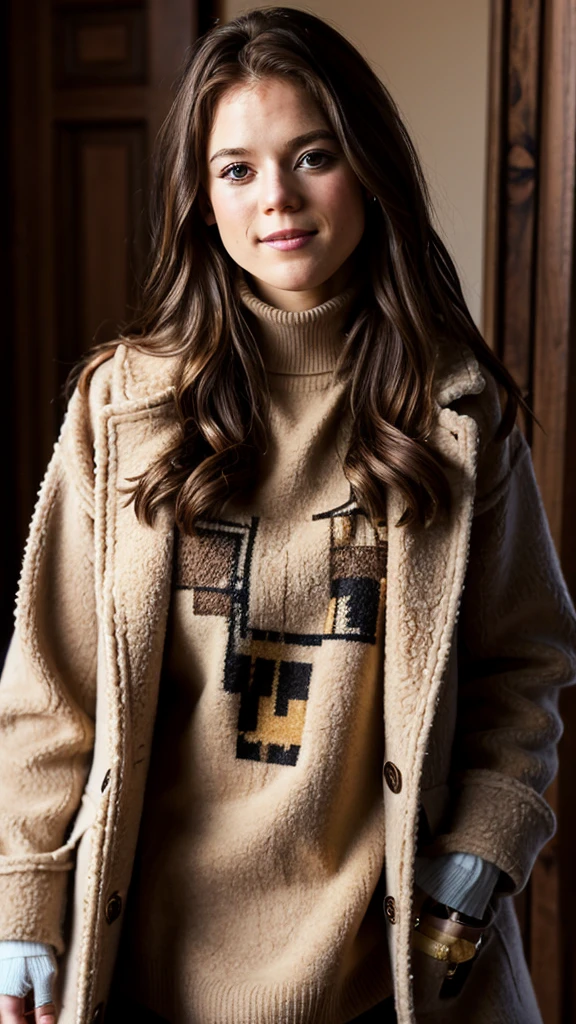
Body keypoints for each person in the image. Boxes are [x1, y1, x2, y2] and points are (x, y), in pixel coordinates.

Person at [0, 7, 575, 1024]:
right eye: (236, 169)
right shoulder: (121, 406)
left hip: (386, 974)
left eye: (312, 155)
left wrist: (484, 849)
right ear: (200, 198)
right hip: (151, 970)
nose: (278, 198)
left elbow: (525, 661)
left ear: (367, 167)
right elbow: (52, 687)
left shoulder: (458, 413)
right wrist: (24, 904)